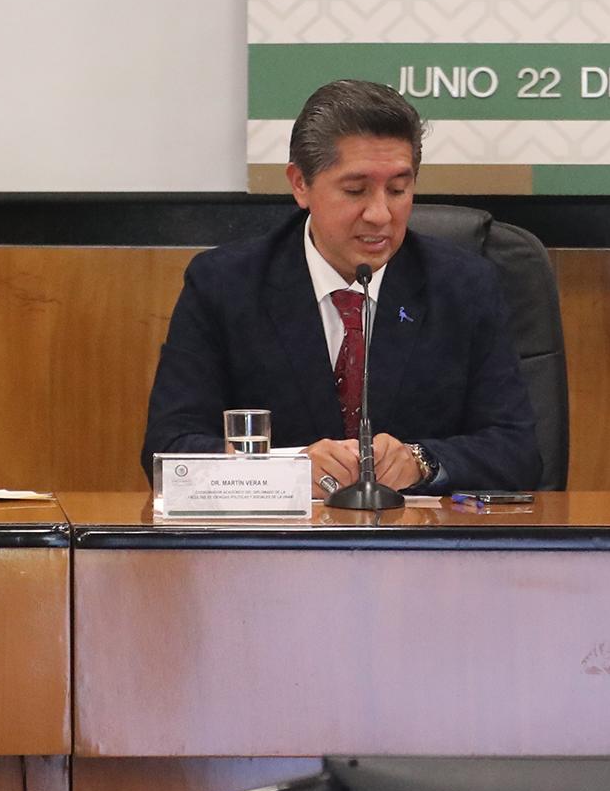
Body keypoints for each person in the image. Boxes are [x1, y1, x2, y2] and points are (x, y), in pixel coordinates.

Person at [142, 79, 538, 493]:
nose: (380, 214)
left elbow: (518, 452)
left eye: (398, 190)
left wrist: (421, 461)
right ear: (300, 184)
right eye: (355, 191)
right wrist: (288, 468)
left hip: (417, 533)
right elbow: (169, 449)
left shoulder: (464, 286)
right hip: (279, 535)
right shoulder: (225, 285)